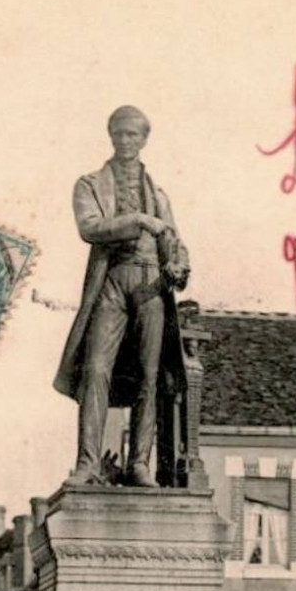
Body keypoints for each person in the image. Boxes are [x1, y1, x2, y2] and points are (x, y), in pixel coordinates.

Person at [53, 106, 189, 487]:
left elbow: (175, 242)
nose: (126, 141)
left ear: (144, 140)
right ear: (110, 135)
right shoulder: (90, 184)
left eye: (133, 135)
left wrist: (179, 265)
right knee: (96, 369)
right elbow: (90, 227)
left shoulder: (159, 194)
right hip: (111, 282)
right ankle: (87, 464)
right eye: (119, 133)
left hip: (151, 287)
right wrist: (139, 221)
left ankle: (139, 463)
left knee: (149, 374)